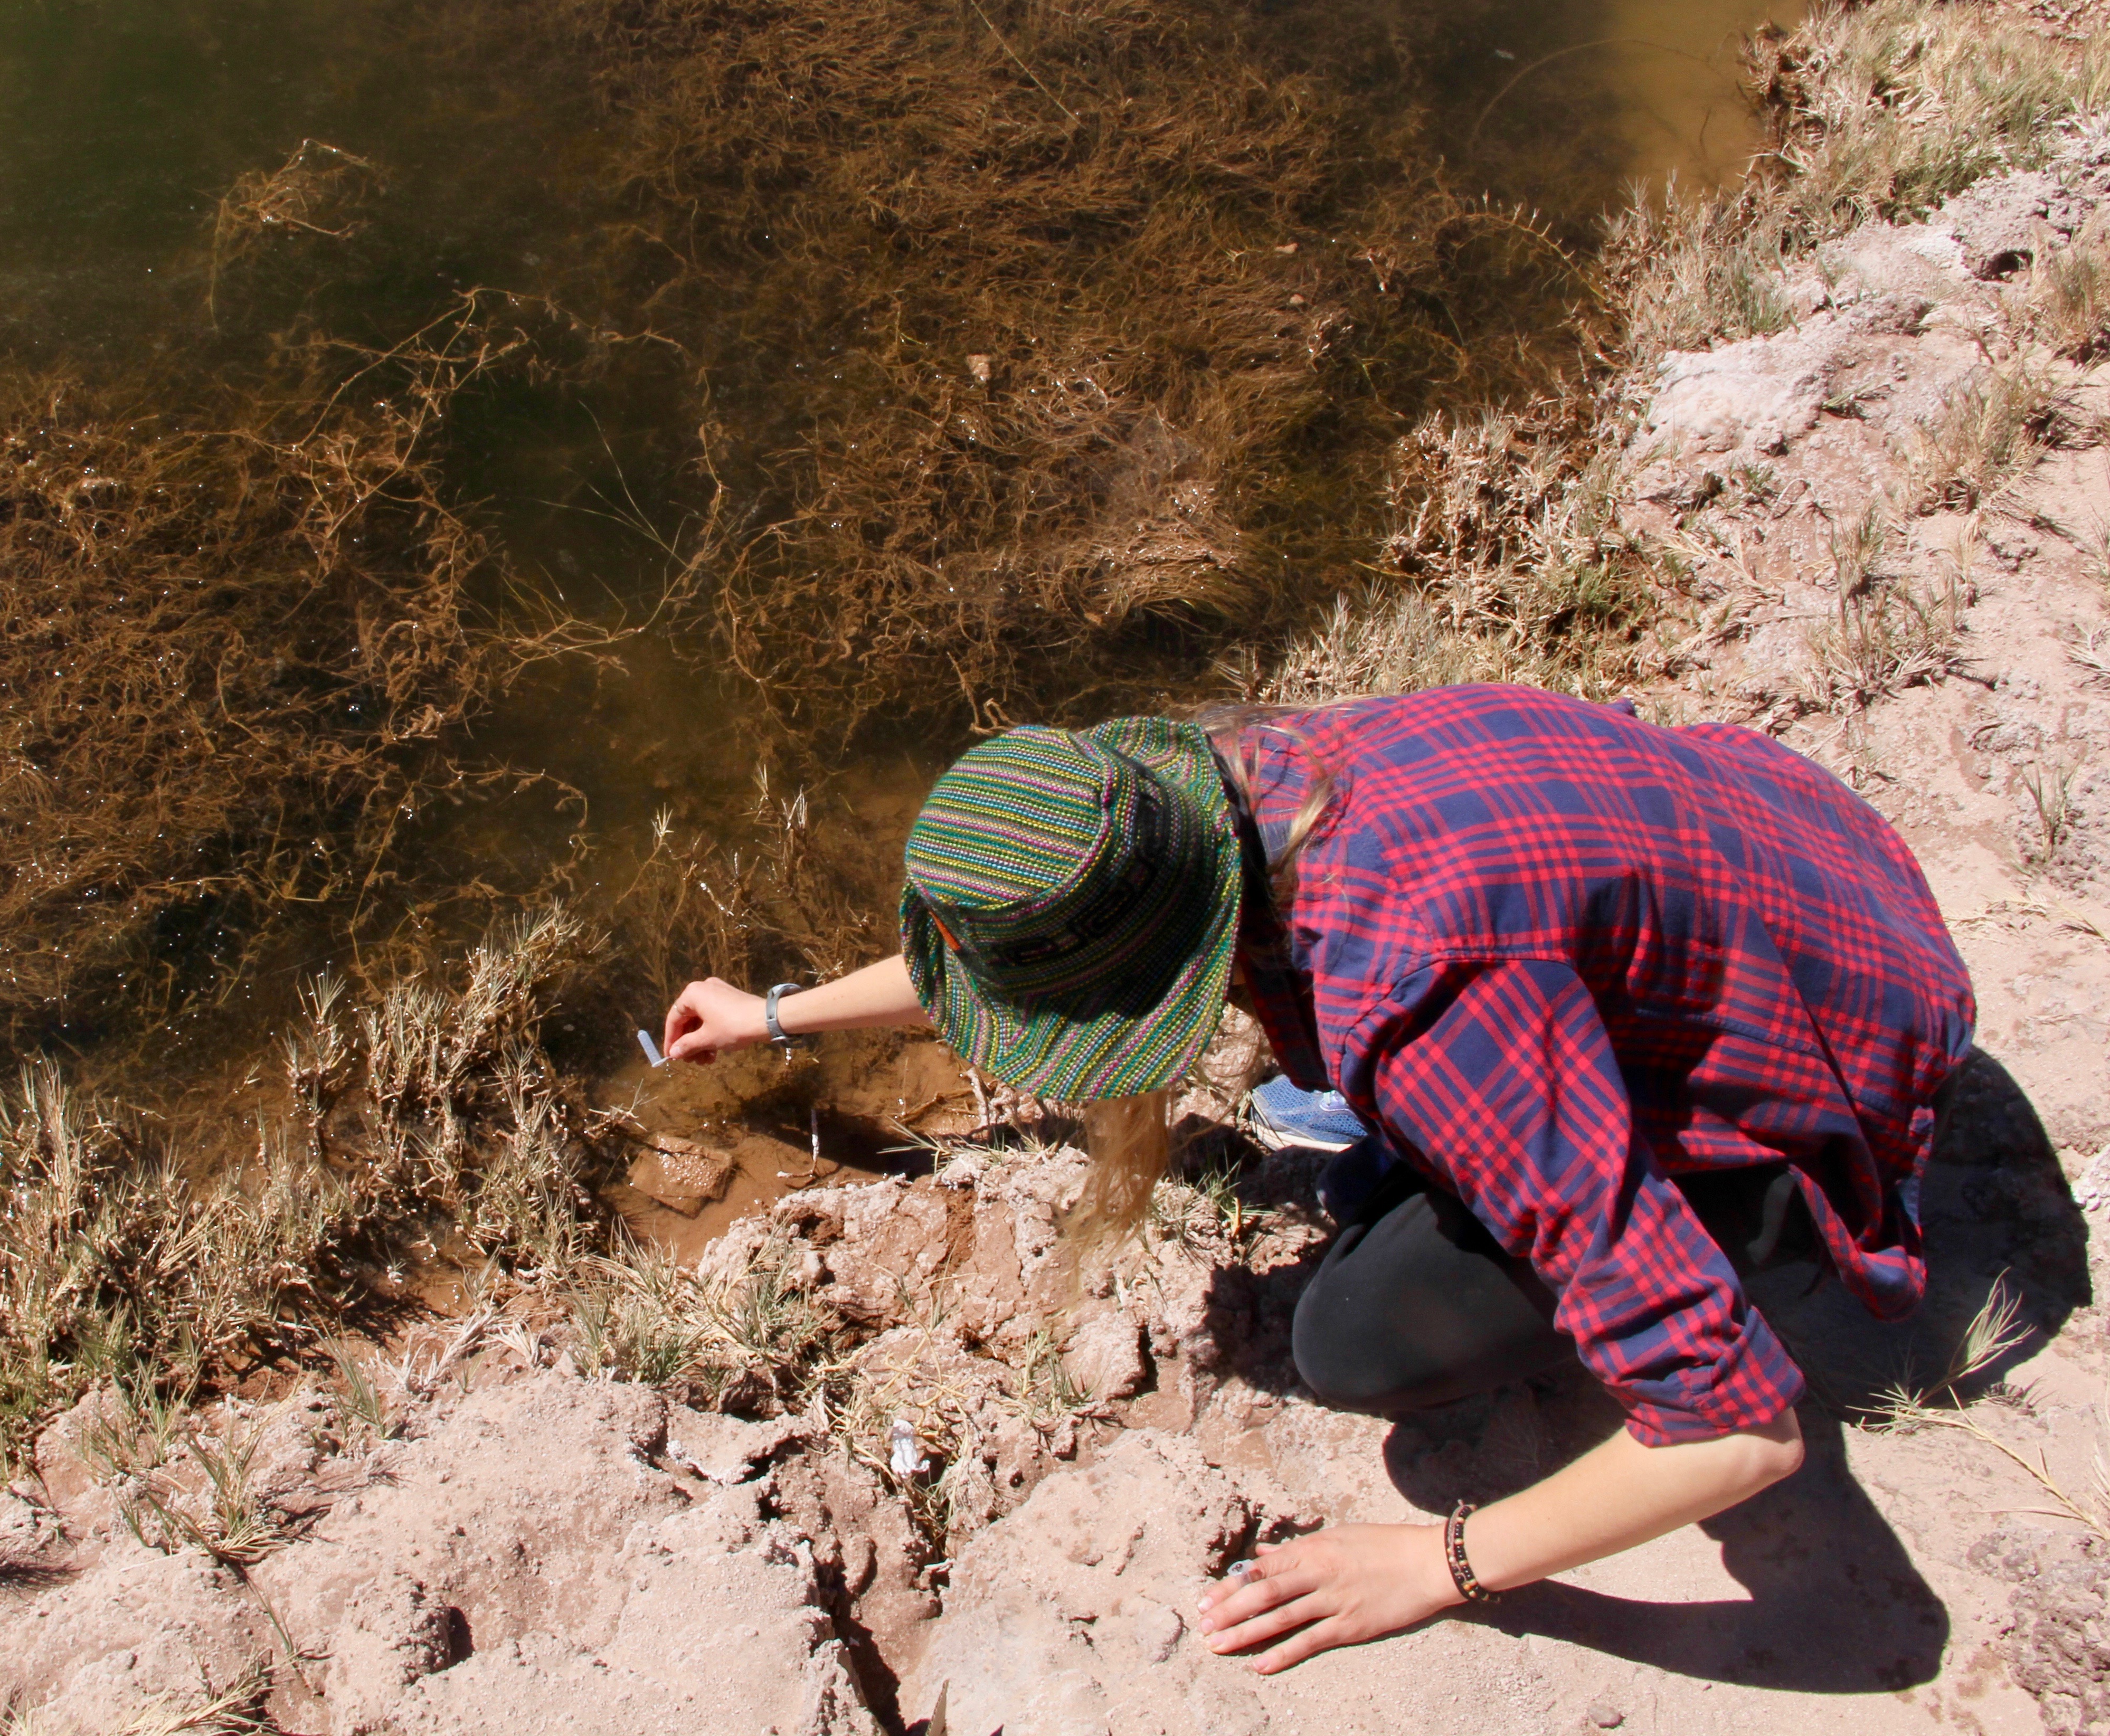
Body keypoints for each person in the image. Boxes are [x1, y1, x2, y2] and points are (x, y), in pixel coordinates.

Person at [658, 684, 1973, 1673]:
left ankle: (1757, 1217)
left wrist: (1444, 1563)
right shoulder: (1251, 782)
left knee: (1349, 1339)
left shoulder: (1416, 1001)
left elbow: (1736, 1427)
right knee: (1320, 1105)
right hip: (1824, 870)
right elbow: (1025, 958)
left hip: (1832, 1090)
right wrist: (778, 1014)